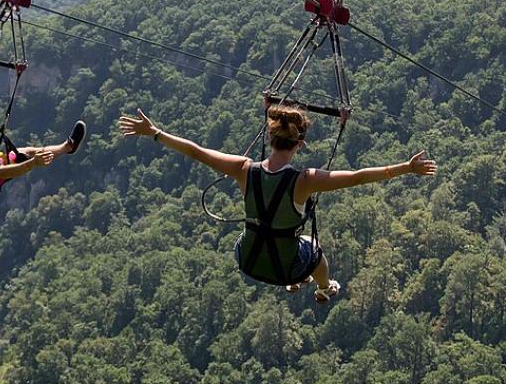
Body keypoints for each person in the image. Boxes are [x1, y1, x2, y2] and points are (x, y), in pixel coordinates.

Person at [119, 104, 437, 302]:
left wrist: (156, 132)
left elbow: (197, 151)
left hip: (248, 260)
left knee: (282, 240)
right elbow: (359, 176)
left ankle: (299, 280)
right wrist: (406, 168)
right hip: (284, 266)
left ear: (270, 139)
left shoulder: (243, 169)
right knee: (315, 250)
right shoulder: (304, 180)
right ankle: (325, 288)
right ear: (300, 144)